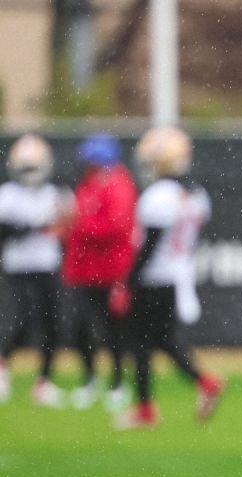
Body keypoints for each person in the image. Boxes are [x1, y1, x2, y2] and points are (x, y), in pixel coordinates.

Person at [115, 127, 223, 430]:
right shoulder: (196, 195)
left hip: (154, 278)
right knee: (163, 340)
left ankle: (146, 408)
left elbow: (149, 245)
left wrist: (128, 280)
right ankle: (204, 382)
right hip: (176, 275)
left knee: (141, 344)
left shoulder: (158, 196)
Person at [63, 133, 136, 412]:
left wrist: (78, 225)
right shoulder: (88, 184)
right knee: (80, 328)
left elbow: (115, 227)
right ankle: (90, 379)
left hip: (111, 271)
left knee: (113, 330)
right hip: (84, 270)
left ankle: (117, 383)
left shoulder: (118, 184)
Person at [0, 134, 72, 407]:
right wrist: (35, 227)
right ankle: (2, 368)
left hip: (47, 267)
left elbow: (67, 231)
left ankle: (44, 382)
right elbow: (5, 231)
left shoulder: (56, 194)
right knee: (18, 324)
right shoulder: (7, 195)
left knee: (52, 325)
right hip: (18, 268)